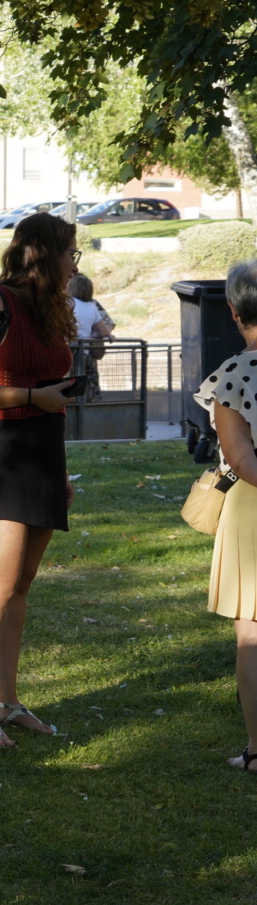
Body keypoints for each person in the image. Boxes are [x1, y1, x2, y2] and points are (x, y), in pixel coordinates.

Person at [0, 213, 81, 748]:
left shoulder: (53, 309)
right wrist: (33, 398)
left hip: (44, 453)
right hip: (3, 454)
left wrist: (63, 469)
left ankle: (7, 702)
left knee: (23, 585)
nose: (75, 264)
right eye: (70, 253)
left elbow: (56, 391)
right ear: (45, 253)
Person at [194, 261, 257, 775]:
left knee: (253, 633)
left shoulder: (232, 376)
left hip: (252, 510)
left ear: (234, 314)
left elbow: (240, 460)